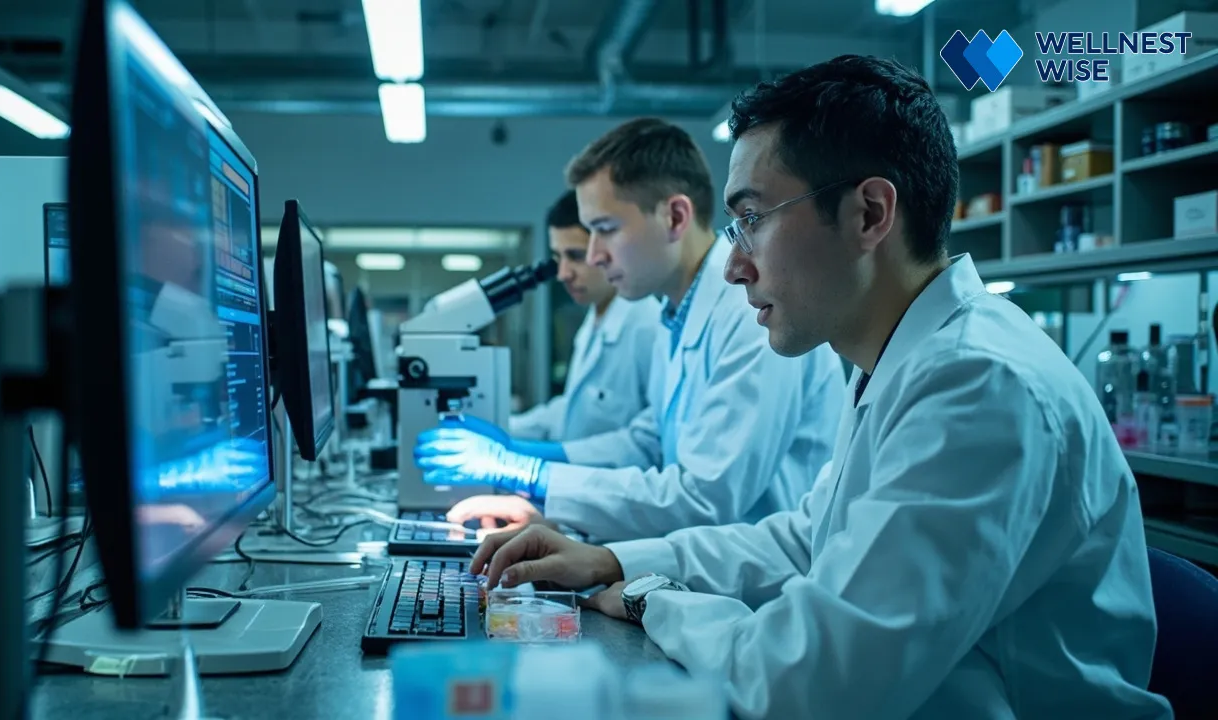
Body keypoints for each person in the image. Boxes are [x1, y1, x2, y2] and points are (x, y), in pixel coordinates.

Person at [467, 56, 1172, 719]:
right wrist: (615, 560)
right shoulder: (901, 359)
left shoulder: (980, 386)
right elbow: (808, 538)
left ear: (869, 214)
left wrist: (651, 597)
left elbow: (811, 685)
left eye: (752, 222)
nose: (734, 265)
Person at [416, 118, 846, 543]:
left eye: (605, 230)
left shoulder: (750, 311)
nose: (594, 256)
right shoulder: (676, 309)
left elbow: (706, 495)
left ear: (675, 217)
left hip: (761, 590)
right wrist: (521, 454)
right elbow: (649, 441)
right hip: (696, 567)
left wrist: (532, 474)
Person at [508, 190, 660, 443]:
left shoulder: (647, 326)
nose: (563, 273)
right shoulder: (594, 319)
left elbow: (651, 440)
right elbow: (573, 409)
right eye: (558, 258)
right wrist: (502, 425)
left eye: (575, 256)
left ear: (605, 249)